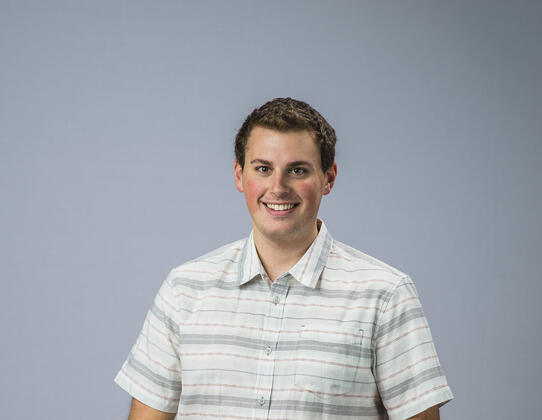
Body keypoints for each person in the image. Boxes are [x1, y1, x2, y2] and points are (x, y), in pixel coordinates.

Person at [114, 98, 453, 419]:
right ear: (239, 175)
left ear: (328, 179)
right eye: (263, 168)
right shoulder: (184, 290)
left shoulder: (384, 295)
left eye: (297, 170)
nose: (277, 187)